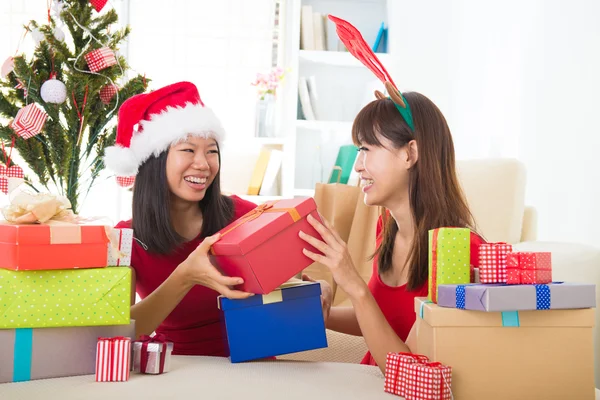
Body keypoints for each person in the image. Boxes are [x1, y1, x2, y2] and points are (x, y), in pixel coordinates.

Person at [299, 15, 484, 373]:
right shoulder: (391, 229)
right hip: (369, 382)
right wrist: (325, 315)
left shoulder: (460, 255)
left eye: (367, 149)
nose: (357, 166)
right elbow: (383, 319)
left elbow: (409, 369)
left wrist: (352, 283)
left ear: (409, 154)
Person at [104, 81, 256, 356]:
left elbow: (286, 285)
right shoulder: (123, 240)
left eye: (212, 151)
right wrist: (184, 277)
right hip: (176, 369)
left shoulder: (244, 215)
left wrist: (318, 286)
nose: (203, 163)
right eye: (188, 150)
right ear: (155, 160)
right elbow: (118, 335)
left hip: (258, 365)